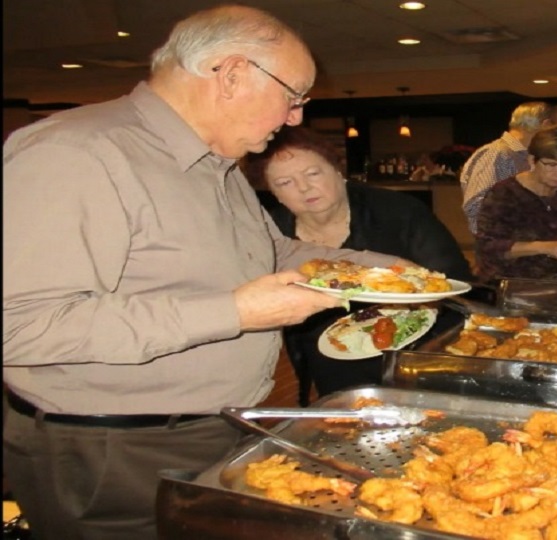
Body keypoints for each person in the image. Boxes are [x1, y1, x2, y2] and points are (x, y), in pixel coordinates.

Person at [1, 6, 408, 539]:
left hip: (208, 426)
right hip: (112, 451)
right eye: (293, 96)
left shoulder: (218, 164)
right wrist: (235, 313)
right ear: (233, 74)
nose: (295, 118)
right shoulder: (75, 152)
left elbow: (273, 252)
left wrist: (388, 273)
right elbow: (21, 326)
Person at [242, 126, 473, 400]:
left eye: (313, 173)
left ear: (338, 171)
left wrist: (413, 308)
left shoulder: (399, 211)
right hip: (330, 353)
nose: (304, 188)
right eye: (285, 183)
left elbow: (452, 278)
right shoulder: (271, 233)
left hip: (417, 346)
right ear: (273, 192)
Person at [474, 126, 557, 281]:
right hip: (510, 281)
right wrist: (545, 247)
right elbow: (488, 248)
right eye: (552, 165)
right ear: (532, 161)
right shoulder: (505, 193)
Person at [460, 102, 557, 234]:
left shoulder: (522, 155)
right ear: (546, 125)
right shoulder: (497, 154)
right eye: (556, 130)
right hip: (502, 244)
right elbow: (477, 206)